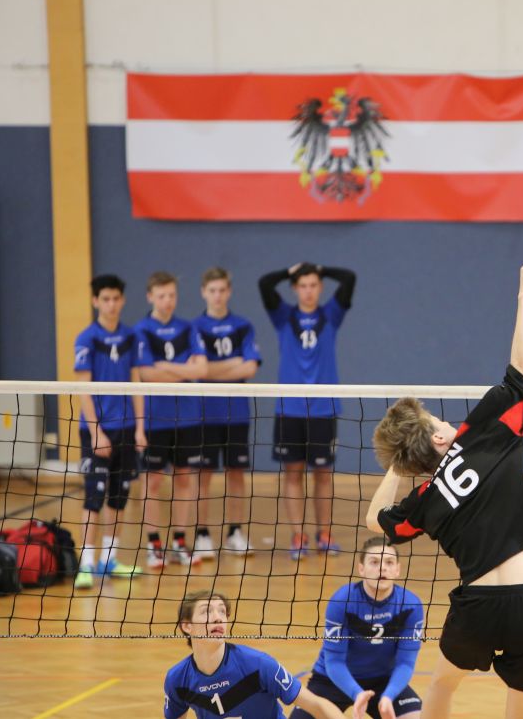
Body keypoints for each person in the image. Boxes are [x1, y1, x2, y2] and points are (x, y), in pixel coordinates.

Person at [365, 250, 523, 719]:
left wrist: (401, 464)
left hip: (477, 607)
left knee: (441, 687)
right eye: (439, 421)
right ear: (438, 437)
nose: (448, 422)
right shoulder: (485, 433)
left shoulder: (423, 501)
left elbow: (375, 521)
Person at [259, 262, 356, 559]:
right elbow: (265, 283)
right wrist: (289, 271)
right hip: (289, 408)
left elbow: (349, 278)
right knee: (292, 473)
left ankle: (324, 534)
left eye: (314, 285)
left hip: (323, 409)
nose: (309, 291)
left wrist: (321, 269)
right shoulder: (283, 317)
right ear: (294, 289)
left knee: (323, 474)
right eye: (302, 285)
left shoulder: (331, 315)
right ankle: (298, 536)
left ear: (321, 287)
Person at [290, 535, 424, 719]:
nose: (382, 568)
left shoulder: (410, 605)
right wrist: (357, 693)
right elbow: (334, 662)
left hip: (384, 681)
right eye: (374, 562)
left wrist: (389, 696)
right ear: (361, 569)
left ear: (397, 570)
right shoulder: (343, 601)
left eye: (389, 562)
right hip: (333, 680)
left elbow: (405, 663)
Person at [165, 590, 355, 719]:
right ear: (187, 626)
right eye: (207, 612)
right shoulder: (177, 679)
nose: (217, 618)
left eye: (222, 612)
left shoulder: (257, 664)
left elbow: (317, 705)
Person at [72, 274, 146, 589]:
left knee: (119, 497)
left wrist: (140, 427)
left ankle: (109, 560)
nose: (111, 304)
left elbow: (136, 382)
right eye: (106, 299)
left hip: (127, 429)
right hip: (97, 431)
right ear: (95, 301)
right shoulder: (86, 338)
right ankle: (86, 564)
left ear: (123, 300)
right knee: (94, 497)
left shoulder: (131, 337)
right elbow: (83, 388)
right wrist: (96, 432)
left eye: (116, 299)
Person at [136, 271, 208, 569]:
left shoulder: (188, 328)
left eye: (172, 295)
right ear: (150, 297)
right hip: (155, 418)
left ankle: (179, 541)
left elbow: (201, 370)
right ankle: (154, 545)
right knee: (152, 480)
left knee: (184, 479)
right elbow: (146, 373)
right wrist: (182, 369)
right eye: (162, 295)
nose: (168, 301)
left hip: (187, 417)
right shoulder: (141, 330)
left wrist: (164, 366)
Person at [192, 267, 261, 560]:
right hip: (204, 413)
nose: (217, 296)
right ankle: (202, 535)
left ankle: (235, 532)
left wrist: (212, 369)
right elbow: (199, 370)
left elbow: (250, 367)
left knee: (236, 475)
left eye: (222, 290)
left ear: (229, 292)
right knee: (202, 476)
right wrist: (233, 363)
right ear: (203, 292)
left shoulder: (243, 325)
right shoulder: (195, 327)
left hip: (237, 413)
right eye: (212, 290)